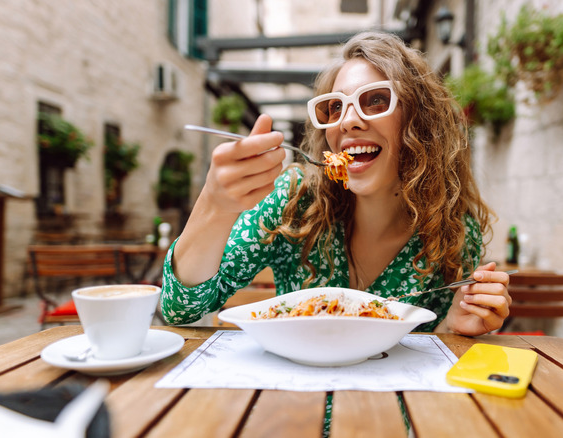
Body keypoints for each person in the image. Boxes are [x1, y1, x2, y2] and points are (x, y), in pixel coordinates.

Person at [161, 31, 511, 336]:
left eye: (376, 99)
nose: (348, 121)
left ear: (420, 122)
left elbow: (431, 351)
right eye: (333, 107)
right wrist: (214, 205)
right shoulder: (295, 200)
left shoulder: (453, 232)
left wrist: (455, 325)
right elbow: (181, 311)